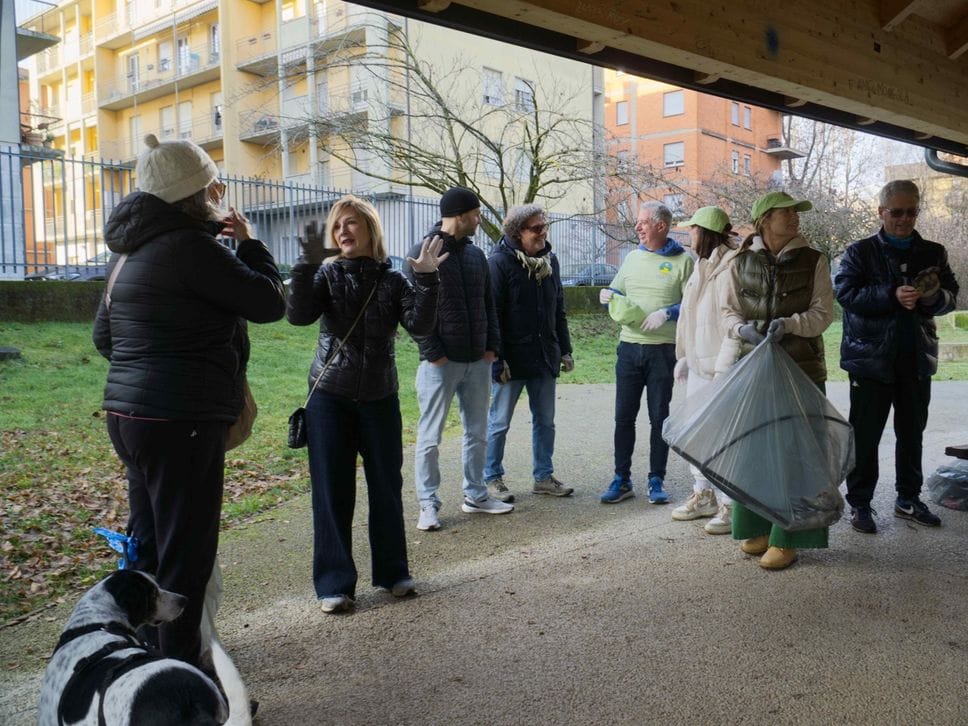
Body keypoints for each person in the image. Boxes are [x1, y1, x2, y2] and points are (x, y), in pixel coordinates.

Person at [93, 134, 286, 675]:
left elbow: (104, 338)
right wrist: (249, 243)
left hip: (129, 419)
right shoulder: (190, 247)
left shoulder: (129, 251)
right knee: (186, 556)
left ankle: (142, 663)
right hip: (182, 422)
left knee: (150, 548)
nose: (218, 194)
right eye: (212, 186)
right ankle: (180, 683)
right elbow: (270, 302)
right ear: (194, 192)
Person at [287, 195, 445, 613]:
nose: (342, 231)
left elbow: (421, 325)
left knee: (386, 488)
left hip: (379, 397)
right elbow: (298, 315)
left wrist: (427, 280)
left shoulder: (393, 280)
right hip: (329, 397)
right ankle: (334, 584)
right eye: (337, 225)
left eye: (351, 223)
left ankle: (393, 572)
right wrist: (303, 266)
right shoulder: (325, 276)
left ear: (370, 230)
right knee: (331, 491)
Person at [718, 191, 834, 570]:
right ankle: (757, 528)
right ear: (765, 219)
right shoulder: (740, 261)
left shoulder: (814, 260)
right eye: (786, 213)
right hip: (754, 367)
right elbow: (728, 311)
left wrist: (791, 325)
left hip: (801, 367)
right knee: (753, 450)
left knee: (796, 453)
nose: (794, 218)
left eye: (795, 213)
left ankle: (789, 537)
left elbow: (822, 313)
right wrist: (741, 330)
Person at [836, 180, 959, 534]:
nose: (905, 219)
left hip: (916, 358)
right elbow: (845, 293)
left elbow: (952, 293)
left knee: (912, 433)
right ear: (881, 212)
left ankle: (909, 498)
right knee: (866, 436)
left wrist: (932, 300)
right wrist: (891, 294)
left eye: (911, 211)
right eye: (897, 212)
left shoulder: (933, 252)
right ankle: (860, 504)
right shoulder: (859, 252)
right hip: (870, 361)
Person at [407, 187, 512, 531]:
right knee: (431, 437)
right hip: (441, 363)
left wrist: (492, 347)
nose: (479, 219)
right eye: (476, 213)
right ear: (460, 215)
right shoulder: (422, 252)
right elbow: (413, 311)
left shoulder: (476, 256)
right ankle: (427, 504)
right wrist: (433, 351)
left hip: (477, 360)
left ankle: (476, 495)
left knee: (477, 432)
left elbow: (488, 305)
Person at [599, 201, 694, 505]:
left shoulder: (684, 262)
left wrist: (669, 312)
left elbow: (694, 303)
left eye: (642, 222)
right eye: (637, 223)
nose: (637, 227)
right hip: (628, 349)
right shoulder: (631, 259)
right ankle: (621, 479)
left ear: (661, 226)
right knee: (623, 417)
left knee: (658, 417)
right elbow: (617, 292)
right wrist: (608, 295)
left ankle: (656, 479)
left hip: (662, 353)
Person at [484, 204, 575, 502]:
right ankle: (492, 478)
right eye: (536, 228)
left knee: (545, 421)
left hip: (544, 355)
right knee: (499, 422)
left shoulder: (551, 262)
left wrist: (565, 350)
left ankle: (543, 477)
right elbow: (492, 314)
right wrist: (497, 359)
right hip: (511, 359)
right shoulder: (499, 263)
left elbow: (558, 309)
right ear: (517, 232)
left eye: (544, 226)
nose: (543, 232)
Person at [670, 206, 739, 534]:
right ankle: (704, 494)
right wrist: (683, 355)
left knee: (723, 437)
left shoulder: (731, 266)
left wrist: (724, 369)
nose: (688, 234)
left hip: (719, 367)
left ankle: (730, 504)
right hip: (698, 363)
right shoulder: (701, 264)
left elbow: (731, 320)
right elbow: (690, 314)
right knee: (695, 433)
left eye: (693, 229)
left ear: (706, 232)